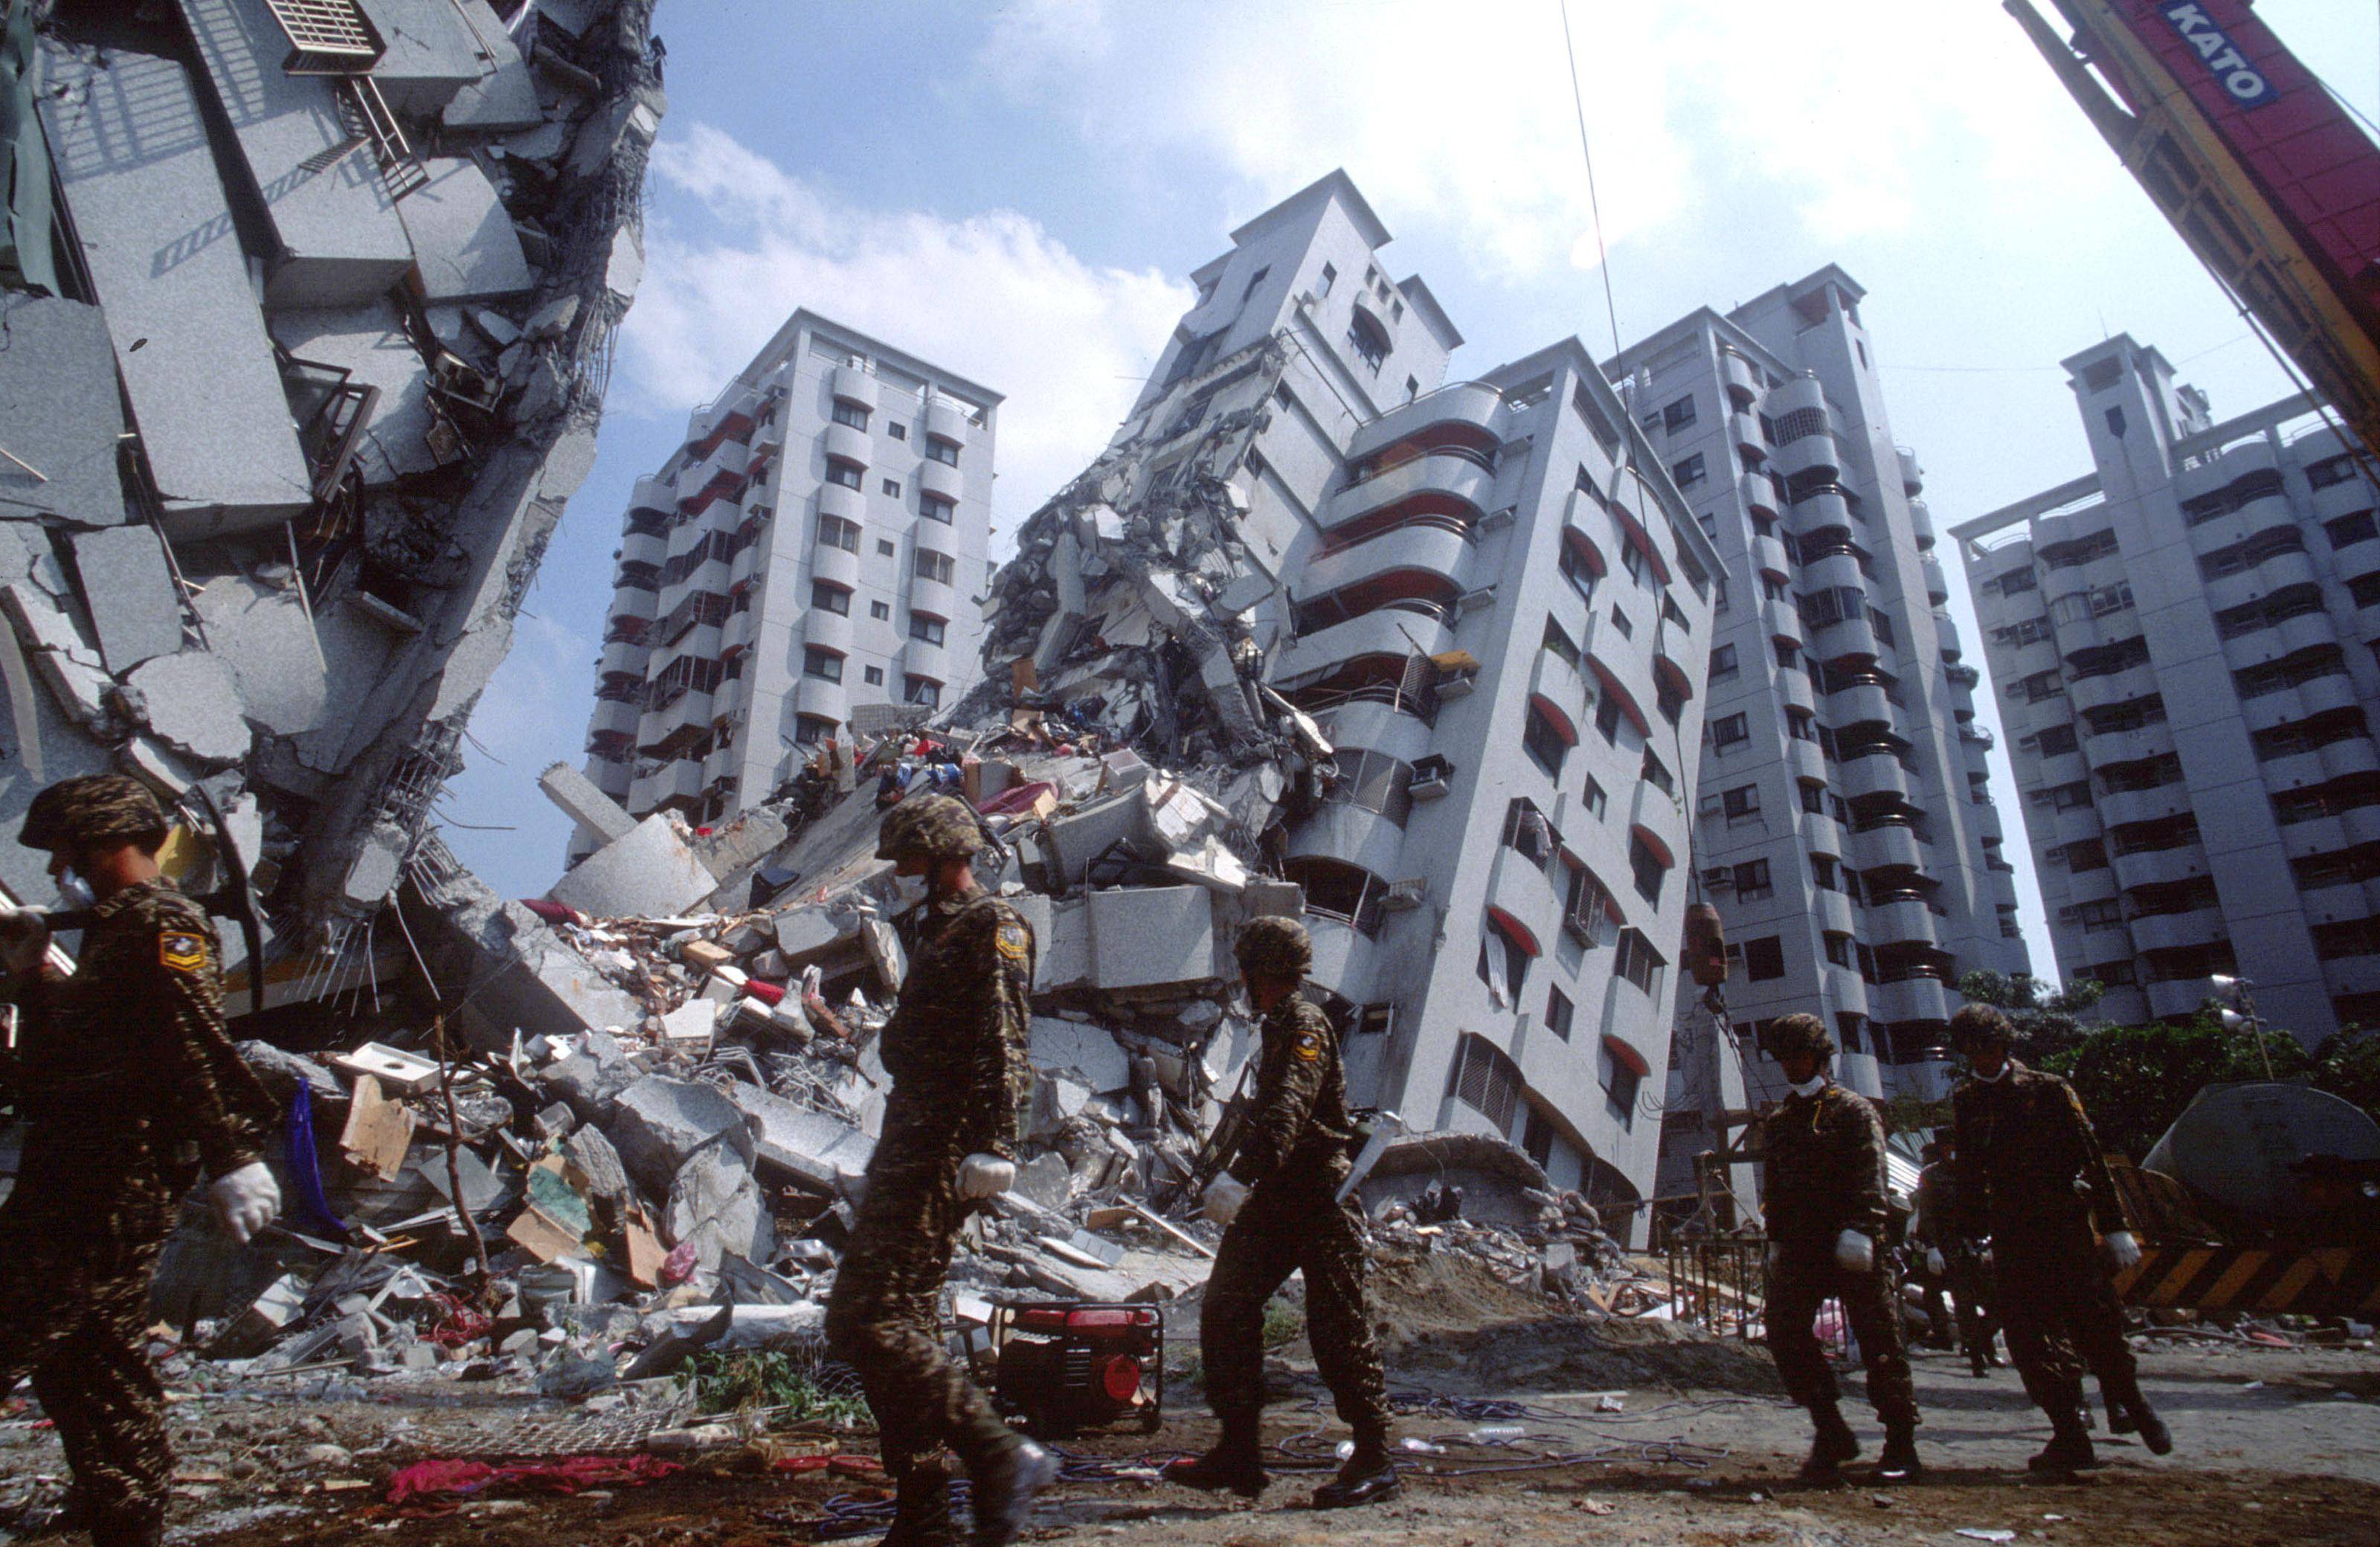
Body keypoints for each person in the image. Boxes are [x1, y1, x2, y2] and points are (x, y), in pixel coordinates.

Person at [0, 774, 281, 1547]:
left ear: (106, 842)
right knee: (90, 1358)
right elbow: (85, 1050)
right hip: (75, 1167)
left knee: (20, 1325)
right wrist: (30, 975)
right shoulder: (111, 929)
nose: (63, 869)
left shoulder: (163, 921)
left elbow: (190, 1039)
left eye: (67, 852)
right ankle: (123, 1511)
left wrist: (230, 1153)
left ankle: (128, 1512)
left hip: (104, 1180)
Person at [823, 793, 1054, 1547]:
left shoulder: (992, 925)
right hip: (908, 1136)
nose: (902, 871)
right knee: (907, 1323)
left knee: (867, 1315)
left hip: (942, 1146)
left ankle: (998, 1452)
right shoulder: (933, 928)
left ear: (942, 849)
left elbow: (1005, 1037)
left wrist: (998, 1140)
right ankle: (922, 1513)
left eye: (911, 856)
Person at [1163, 917, 1398, 1509]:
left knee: (1337, 1329)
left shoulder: (1304, 1025)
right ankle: (1239, 1456)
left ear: (1257, 971)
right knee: (1225, 1308)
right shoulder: (1278, 1024)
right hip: (1277, 1196)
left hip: (1318, 1198)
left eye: (1245, 968)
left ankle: (1375, 1461)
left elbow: (1287, 1116)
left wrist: (1236, 1180)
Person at [1948, 1004, 2170, 1475]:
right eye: (1970, 1048)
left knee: (2097, 1327)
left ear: (2003, 1044)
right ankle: (2070, 1435)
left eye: (1985, 1046)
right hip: (2012, 1232)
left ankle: (2134, 1404)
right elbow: (1969, 1173)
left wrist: (2114, 1226)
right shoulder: (1967, 1101)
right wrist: (1963, 1233)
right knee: (2028, 1339)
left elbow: (2092, 1158)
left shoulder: (2048, 1090)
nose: (1978, 1056)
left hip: (2063, 1225)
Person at [1757, 1013, 1921, 1484]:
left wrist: (1863, 1229)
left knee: (1881, 1343)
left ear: (1820, 1056)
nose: (1791, 1065)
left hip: (1854, 1242)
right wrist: (1776, 1241)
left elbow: (1874, 1175)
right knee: (1784, 1329)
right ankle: (1830, 1427)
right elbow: (1777, 1187)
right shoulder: (1783, 1119)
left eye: (1799, 1055)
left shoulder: (1853, 1110)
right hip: (1803, 1246)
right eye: (1784, 1057)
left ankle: (1901, 1443)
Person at [1914, 1133, 2000, 1377]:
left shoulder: (1974, 1173)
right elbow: (1927, 1214)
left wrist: (1990, 1242)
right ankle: (1977, 1359)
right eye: (1948, 1147)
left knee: (1999, 1302)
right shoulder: (1931, 1175)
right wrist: (1931, 1247)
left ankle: (1983, 1341)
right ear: (1941, 1149)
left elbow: (1987, 1209)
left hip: (1977, 1246)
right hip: (1948, 1248)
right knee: (1965, 1305)